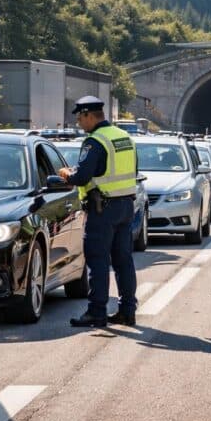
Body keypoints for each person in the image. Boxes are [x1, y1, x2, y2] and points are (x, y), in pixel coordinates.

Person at [58, 96, 139, 327]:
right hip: (125, 206)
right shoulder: (124, 137)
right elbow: (132, 170)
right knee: (123, 261)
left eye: (79, 117)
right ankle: (127, 311)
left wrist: (67, 174)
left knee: (98, 260)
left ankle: (97, 312)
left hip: (102, 209)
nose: (78, 122)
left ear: (88, 115)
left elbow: (82, 177)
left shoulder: (95, 141)